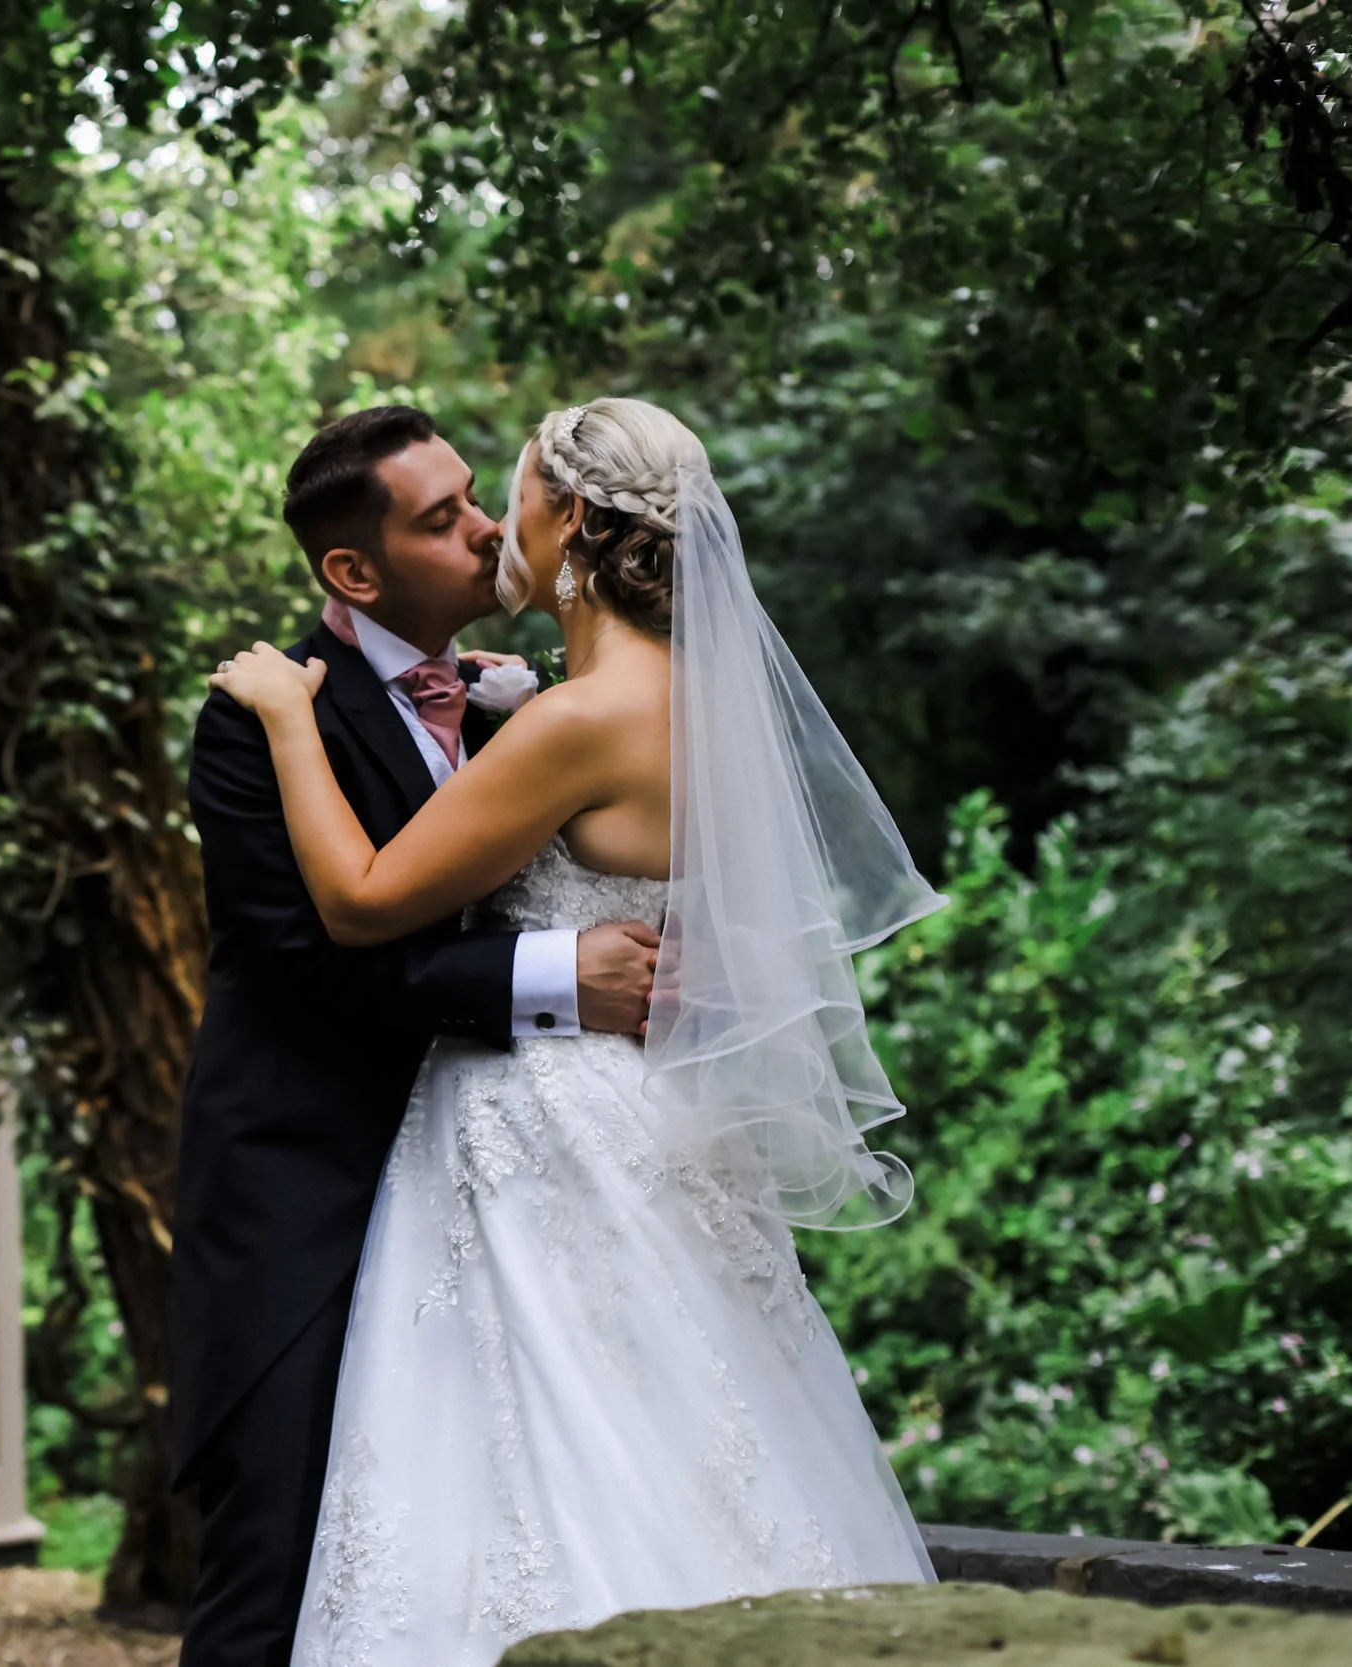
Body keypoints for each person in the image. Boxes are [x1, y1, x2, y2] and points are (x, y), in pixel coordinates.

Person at [209, 397, 943, 1667]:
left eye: (514, 497)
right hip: (656, 1130)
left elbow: (363, 899)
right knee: (691, 1433)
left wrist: (288, 718)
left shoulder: (571, 721)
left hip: (543, 1130)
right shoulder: (686, 704)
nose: (499, 521)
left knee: (528, 1450)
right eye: (460, 509)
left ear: (579, 527)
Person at [173, 406, 662, 1667]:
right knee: (275, 1564)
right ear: (353, 570)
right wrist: (556, 972)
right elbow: (306, 963)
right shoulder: (258, 719)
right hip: (308, 1194)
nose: (487, 525)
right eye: (441, 517)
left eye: (475, 496)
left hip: (519, 1197)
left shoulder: (528, 710)